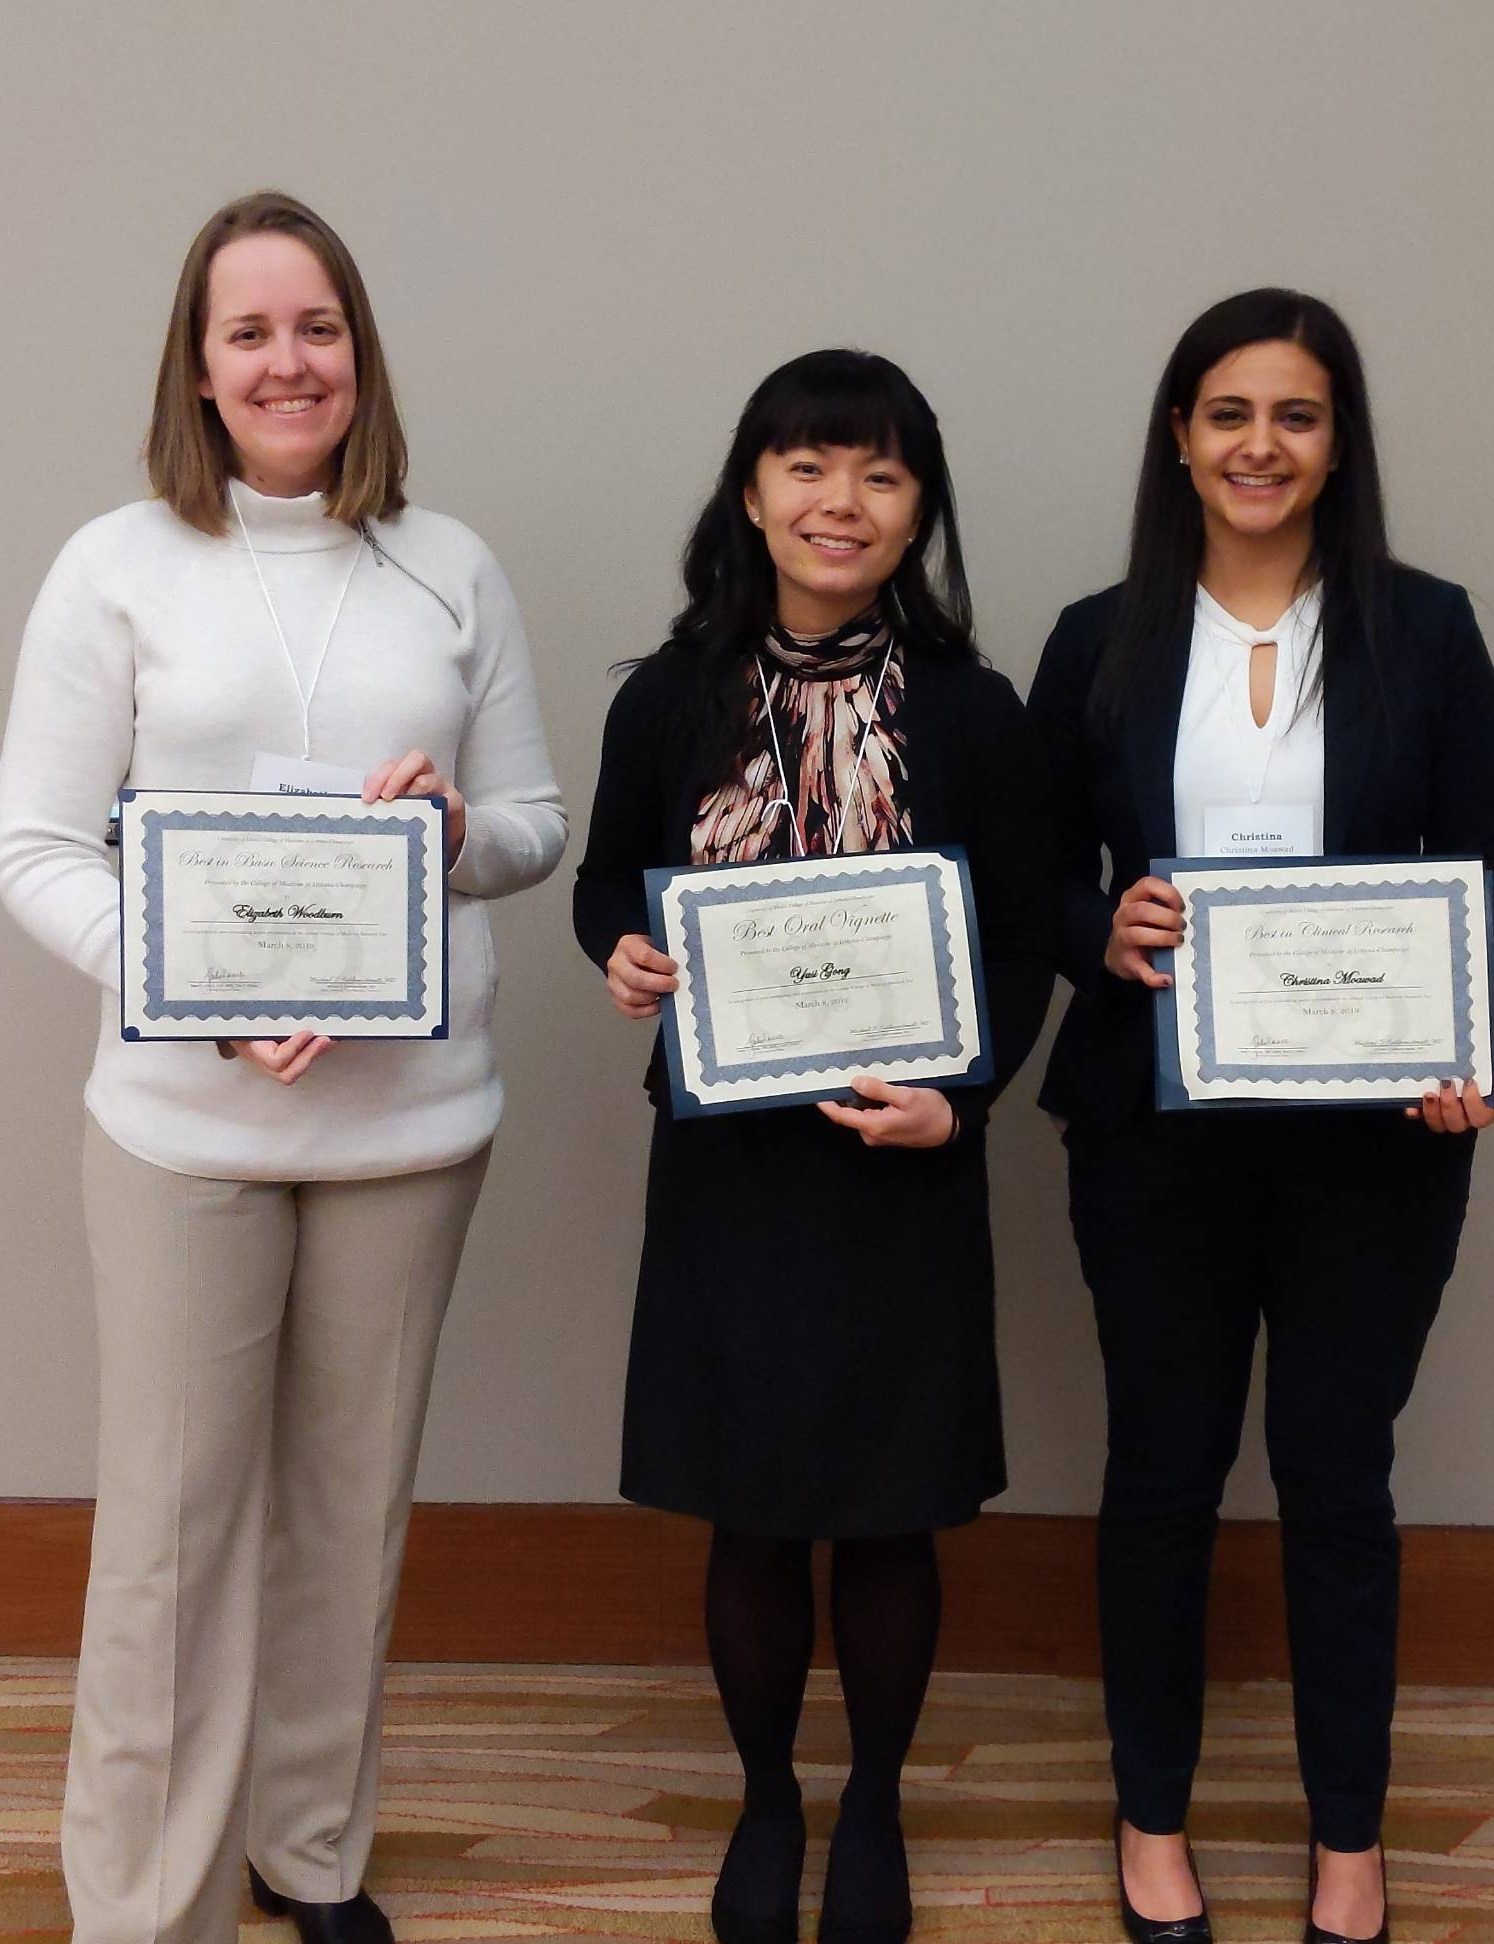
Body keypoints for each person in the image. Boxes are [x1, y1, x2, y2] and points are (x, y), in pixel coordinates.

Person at [0, 191, 565, 1944]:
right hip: (183, 1129)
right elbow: (33, 848)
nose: (286, 359)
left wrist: (459, 831)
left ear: (358, 352)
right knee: (169, 1540)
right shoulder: (114, 565)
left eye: (315, 326)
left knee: (348, 1518)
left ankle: (309, 1856)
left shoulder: (450, 566)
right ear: (199, 364)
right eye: (248, 332)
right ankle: (145, 1905)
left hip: (410, 1132)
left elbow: (539, 828)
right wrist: (191, 986)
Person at [1026, 288, 1494, 1944]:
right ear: (1180, 436)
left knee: (1336, 1474)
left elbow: (1486, 867)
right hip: (1156, 1132)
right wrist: (1097, 928)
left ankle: (1348, 1842)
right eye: (1229, 413)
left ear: (1337, 443)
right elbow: (1030, 875)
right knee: (1162, 1472)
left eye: (1296, 416)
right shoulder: (1098, 638)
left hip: (1376, 1137)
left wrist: (1482, 1025)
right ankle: (1150, 1817)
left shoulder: (1430, 630)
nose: (1260, 445)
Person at [572, 350, 1053, 1944]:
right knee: (756, 1507)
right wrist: (625, 965)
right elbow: (604, 898)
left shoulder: (976, 713)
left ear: (920, 512)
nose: (839, 502)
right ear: (752, 492)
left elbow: (1036, 936)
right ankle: (771, 1795)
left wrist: (963, 1098)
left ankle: (877, 1803)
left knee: (893, 1507)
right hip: (731, 1168)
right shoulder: (667, 695)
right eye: (805, 466)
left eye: (881, 474)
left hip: (903, 1161)